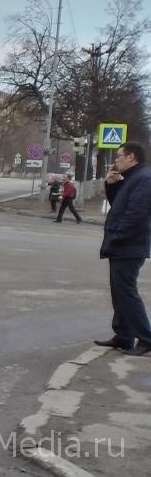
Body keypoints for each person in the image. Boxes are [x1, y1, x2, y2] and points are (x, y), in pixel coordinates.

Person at [94, 142, 151, 356]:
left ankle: (146, 338)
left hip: (129, 246)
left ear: (131, 157)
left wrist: (117, 237)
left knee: (127, 293)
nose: (116, 160)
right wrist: (111, 185)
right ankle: (124, 336)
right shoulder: (133, 177)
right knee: (119, 293)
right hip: (123, 245)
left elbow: (135, 215)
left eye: (119, 156)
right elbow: (119, 204)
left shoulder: (144, 178)